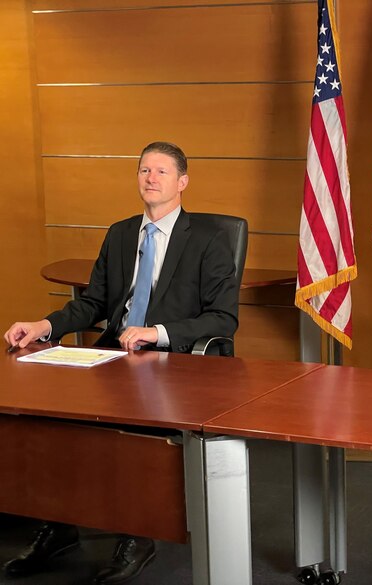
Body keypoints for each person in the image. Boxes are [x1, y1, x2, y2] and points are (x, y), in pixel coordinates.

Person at [3, 141, 239, 584]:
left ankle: (138, 534)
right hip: (112, 353)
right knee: (45, 413)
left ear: (182, 182)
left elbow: (223, 317)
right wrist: (44, 325)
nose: (151, 178)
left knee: (129, 425)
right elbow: (92, 302)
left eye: (162, 171)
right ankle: (58, 525)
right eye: (144, 170)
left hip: (172, 360)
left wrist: (157, 332)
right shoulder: (121, 233)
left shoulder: (209, 240)